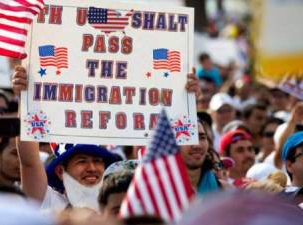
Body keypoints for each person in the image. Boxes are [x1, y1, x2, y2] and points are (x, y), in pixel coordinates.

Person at [11, 65, 201, 211]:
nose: (92, 168)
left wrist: (186, 101)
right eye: (82, 161)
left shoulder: (121, 203)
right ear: (61, 171)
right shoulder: (47, 201)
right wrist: (25, 98)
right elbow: (29, 162)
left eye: (97, 160)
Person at [180, 120, 221, 195]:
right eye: (187, 137)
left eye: (202, 137)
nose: (197, 145)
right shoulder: (157, 194)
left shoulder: (224, 190)